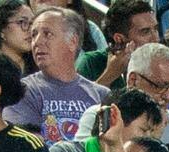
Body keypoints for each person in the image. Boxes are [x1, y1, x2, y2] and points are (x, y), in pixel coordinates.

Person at [6, 5, 102, 144]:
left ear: (73, 41)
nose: (37, 42)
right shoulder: (20, 91)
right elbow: (26, 150)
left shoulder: (102, 95)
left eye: (47, 34)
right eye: (33, 35)